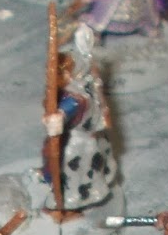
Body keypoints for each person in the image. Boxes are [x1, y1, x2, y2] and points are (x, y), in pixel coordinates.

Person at [41, 24, 116, 216]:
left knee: (71, 167)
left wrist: (57, 117)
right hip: (84, 137)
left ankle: (70, 197)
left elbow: (69, 110)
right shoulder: (81, 84)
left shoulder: (77, 95)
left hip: (80, 141)